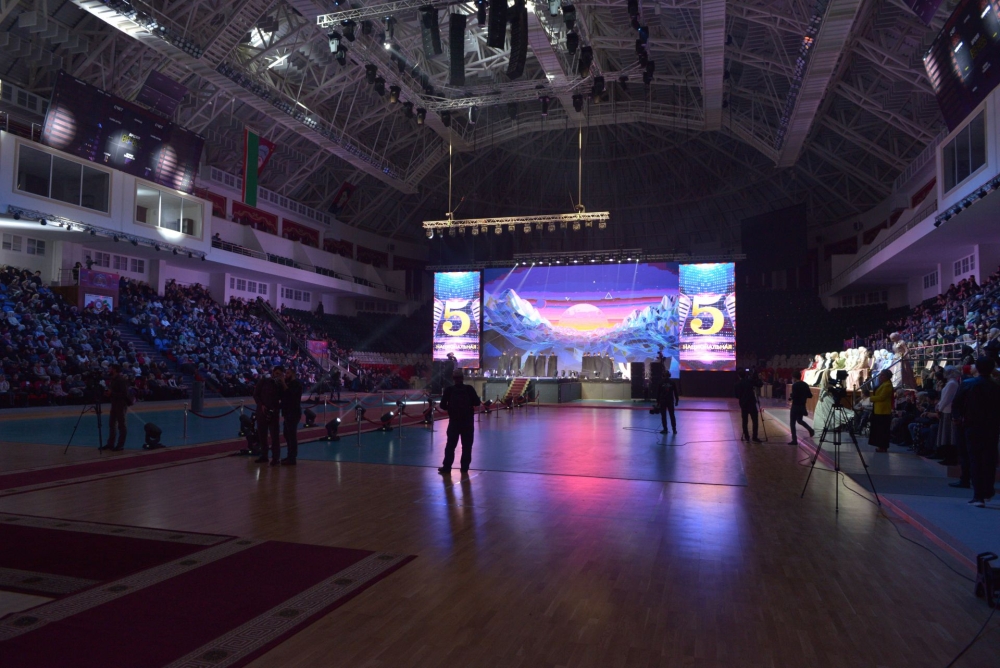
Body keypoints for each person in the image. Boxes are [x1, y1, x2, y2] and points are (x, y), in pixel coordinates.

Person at [951, 357, 1000, 507]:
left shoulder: (967, 384)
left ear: (977, 368)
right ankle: (988, 490)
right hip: (992, 427)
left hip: (972, 426)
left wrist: (957, 419)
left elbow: (956, 404)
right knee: (989, 459)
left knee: (975, 459)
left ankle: (978, 495)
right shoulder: (996, 385)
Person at [438, 368, 481, 474]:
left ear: (453, 379)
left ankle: (447, 467)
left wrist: (451, 408)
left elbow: (442, 405)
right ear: (463, 378)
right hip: (467, 422)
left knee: (450, 445)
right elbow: (477, 402)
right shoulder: (469, 389)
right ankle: (464, 468)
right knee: (467, 446)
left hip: (454, 421)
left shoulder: (449, 390)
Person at [253, 366, 283, 466]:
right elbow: (256, 395)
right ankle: (264, 455)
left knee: (275, 436)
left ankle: (276, 458)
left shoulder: (281, 385)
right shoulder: (263, 381)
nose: (277, 375)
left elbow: (284, 398)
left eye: (280, 374)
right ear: (273, 372)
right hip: (261, 412)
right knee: (262, 435)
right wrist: (261, 405)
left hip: (274, 412)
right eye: (276, 373)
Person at [103, 364, 130, 451]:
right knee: (112, 424)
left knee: (121, 425)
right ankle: (110, 443)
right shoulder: (113, 379)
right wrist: (108, 394)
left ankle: (120, 444)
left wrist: (112, 394)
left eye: (110, 368)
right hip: (114, 403)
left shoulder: (121, 380)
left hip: (121, 404)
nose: (108, 370)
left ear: (114, 370)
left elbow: (124, 394)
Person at [280, 367, 303, 465]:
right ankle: (290, 455)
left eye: (288, 373)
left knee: (291, 435)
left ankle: (292, 457)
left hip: (294, 412)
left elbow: (290, 394)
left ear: (293, 374)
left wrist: (283, 383)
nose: (286, 375)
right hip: (287, 412)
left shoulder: (296, 384)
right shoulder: (288, 383)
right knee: (287, 434)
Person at [869, 369, 894, 453]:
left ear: (887, 376)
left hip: (883, 411)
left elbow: (882, 397)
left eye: (883, 375)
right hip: (878, 409)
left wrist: (871, 398)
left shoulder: (887, 385)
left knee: (883, 430)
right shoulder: (883, 384)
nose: (880, 377)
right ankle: (880, 446)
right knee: (879, 429)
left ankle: (883, 446)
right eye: (880, 375)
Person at [735, 369, 762, 442]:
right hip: (752, 404)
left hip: (743, 404)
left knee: (744, 421)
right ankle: (754, 437)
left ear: (738, 376)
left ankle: (746, 437)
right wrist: (757, 378)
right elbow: (760, 384)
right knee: (755, 421)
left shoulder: (737, 384)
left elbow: (737, 396)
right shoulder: (749, 381)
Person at [788, 377, 815, 445]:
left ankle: (794, 440)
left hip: (795, 406)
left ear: (794, 378)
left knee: (792, 423)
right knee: (799, 420)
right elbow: (810, 395)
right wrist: (803, 396)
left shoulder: (795, 385)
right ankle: (810, 429)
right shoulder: (805, 384)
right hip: (802, 406)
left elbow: (794, 396)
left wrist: (791, 396)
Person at [656, 370, 679, 434]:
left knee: (663, 416)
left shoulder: (661, 382)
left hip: (663, 401)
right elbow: (675, 392)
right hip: (670, 401)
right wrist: (677, 400)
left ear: (663, 375)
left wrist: (657, 402)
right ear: (669, 375)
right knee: (672, 415)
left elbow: (658, 393)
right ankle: (674, 430)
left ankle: (665, 429)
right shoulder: (672, 382)